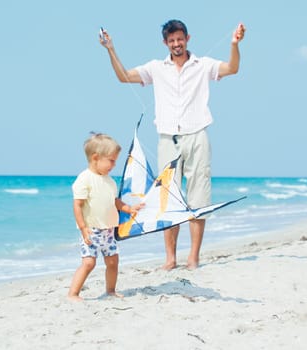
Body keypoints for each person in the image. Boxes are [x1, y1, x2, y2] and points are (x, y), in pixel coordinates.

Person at [100, 19, 246, 270]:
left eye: (180, 39)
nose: (176, 44)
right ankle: (170, 258)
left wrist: (234, 44)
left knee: (198, 197)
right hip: (167, 138)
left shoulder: (203, 65)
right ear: (165, 43)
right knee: (167, 199)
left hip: (197, 135)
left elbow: (232, 68)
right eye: (171, 41)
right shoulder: (157, 68)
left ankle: (194, 257)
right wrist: (111, 49)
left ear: (188, 38)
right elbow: (124, 77)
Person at [68, 133, 143, 301]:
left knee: (112, 262)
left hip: (108, 231)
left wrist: (129, 208)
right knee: (89, 263)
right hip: (91, 230)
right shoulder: (84, 179)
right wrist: (83, 228)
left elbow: (114, 201)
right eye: (111, 160)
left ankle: (110, 290)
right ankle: (73, 293)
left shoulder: (109, 181)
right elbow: (77, 205)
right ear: (96, 158)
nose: (114, 164)